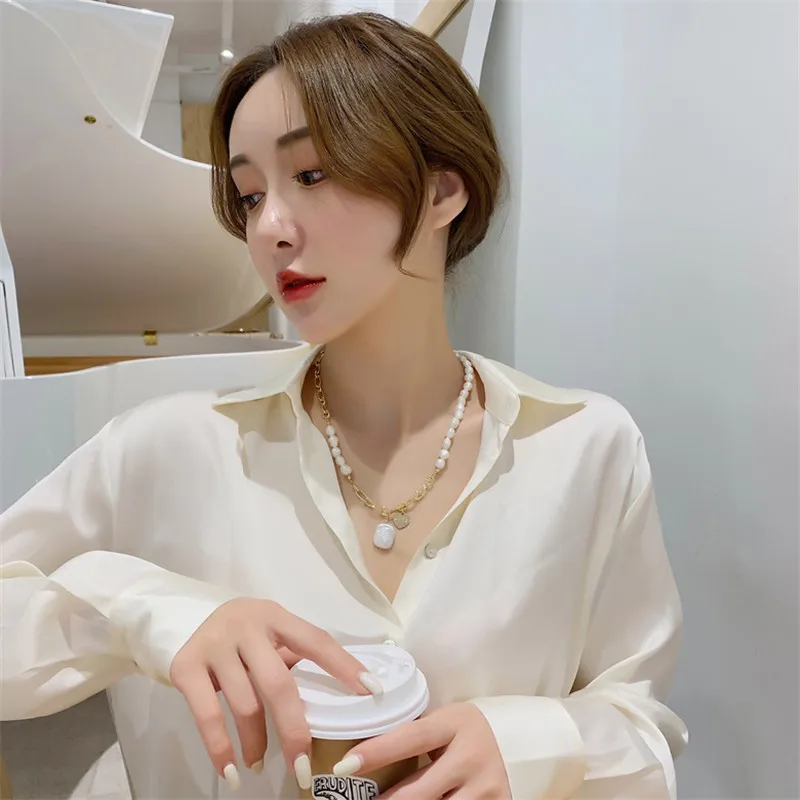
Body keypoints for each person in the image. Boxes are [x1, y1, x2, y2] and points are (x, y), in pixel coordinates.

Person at [0, 11, 688, 800]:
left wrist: (530, 746)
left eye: (312, 175)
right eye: (249, 194)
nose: (269, 228)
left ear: (441, 190)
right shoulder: (169, 448)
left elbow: (641, 721)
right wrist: (143, 611)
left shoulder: (584, 448)